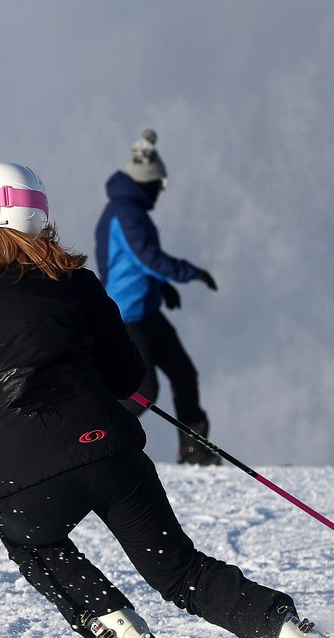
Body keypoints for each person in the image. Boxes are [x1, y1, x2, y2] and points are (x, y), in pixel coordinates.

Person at [0, 162, 334, 638]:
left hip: (28, 482)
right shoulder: (78, 284)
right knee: (179, 571)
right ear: (36, 213)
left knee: (30, 540)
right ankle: (287, 636)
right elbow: (128, 373)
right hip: (112, 456)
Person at [94, 129, 220, 466]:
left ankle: (193, 448)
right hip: (128, 317)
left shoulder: (128, 210)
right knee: (144, 392)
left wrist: (160, 287)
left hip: (146, 311)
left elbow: (135, 263)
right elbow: (148, 257)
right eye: (160, 184)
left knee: (184, 374)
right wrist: (190, 273)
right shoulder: (125, 213)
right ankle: (93, 440)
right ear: (147, 183)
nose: (161, 191)